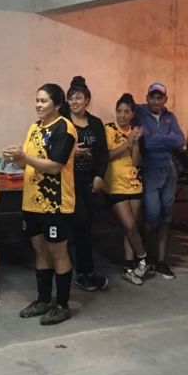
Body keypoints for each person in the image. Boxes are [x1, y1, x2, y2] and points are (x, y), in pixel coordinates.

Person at [3, 83, 77, 325]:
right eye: (37, 100)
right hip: (32, 202)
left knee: (58, 252)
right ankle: (44, 299)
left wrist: (25, 158)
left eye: (44, 101)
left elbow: (55, 166)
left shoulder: (65, 128)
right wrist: (17, 158)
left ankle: (62, 304)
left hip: (55, 203)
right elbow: (29, 163)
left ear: (57, 104)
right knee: (40, 250)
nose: (38, 105)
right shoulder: (34, 128)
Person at [133, 82, 186, 279]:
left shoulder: (169, 116)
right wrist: (166, 138)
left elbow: (180, 140)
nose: (156, 101)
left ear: (165, 99)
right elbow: (147, 141)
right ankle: (147, 258)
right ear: (147, 98)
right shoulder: (139, 113)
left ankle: (162, 260)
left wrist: (158, 137)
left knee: (166, 214)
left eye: (160, 97)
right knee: (152, 214)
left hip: (168, 169)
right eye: (153, 97)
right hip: (150, 169)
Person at [65, 76, 110, 291]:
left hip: (89, 181)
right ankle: (78, 271)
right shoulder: (62, 122)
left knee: (86, 226)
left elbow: (103, 154)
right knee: (78, 223)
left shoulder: (95, 124)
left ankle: (84, 271)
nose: (74, 102)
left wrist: (99, 176)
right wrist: (73, 152)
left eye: (78, 98)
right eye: (71, 98)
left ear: (87, 100)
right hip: (66, 181)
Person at [103, 93, 149, 285]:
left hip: (134, 184)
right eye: (119, 111)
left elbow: (137, 161)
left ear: (132, 114)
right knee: (129, 224)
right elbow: (108, 155)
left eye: (126, 112)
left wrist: (136, 142)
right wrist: (127, 142)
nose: (122, 115)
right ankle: (143, 259)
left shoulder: (135, 132)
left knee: (130, 228)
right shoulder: (107, 129)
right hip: (115, 184)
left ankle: (129, 267)